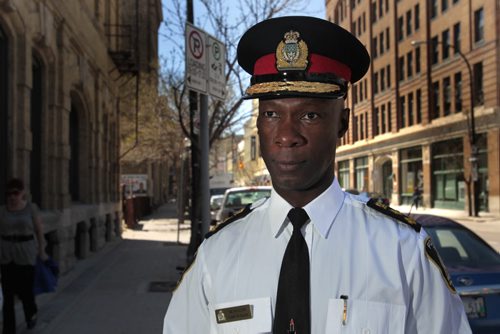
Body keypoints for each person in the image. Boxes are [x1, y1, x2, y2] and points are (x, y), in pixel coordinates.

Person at [163, 16, 471, 333]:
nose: (287, 134)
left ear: (342, 124)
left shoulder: (402, 251)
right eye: (271, 114)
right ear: (258, 125)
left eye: (309, 115)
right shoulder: (216, 254)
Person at [0, 178, 48, 333]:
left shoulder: (30, 209)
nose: (12, 197)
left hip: (26, 254)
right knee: (8, 295)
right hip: (6, 254)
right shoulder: (2, 211)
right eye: (9, 194)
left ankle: (30, 313)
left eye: (16, 193)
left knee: (25, 292)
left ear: (22, 193)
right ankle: (9, 329)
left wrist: (42, 251)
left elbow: (39, 231)